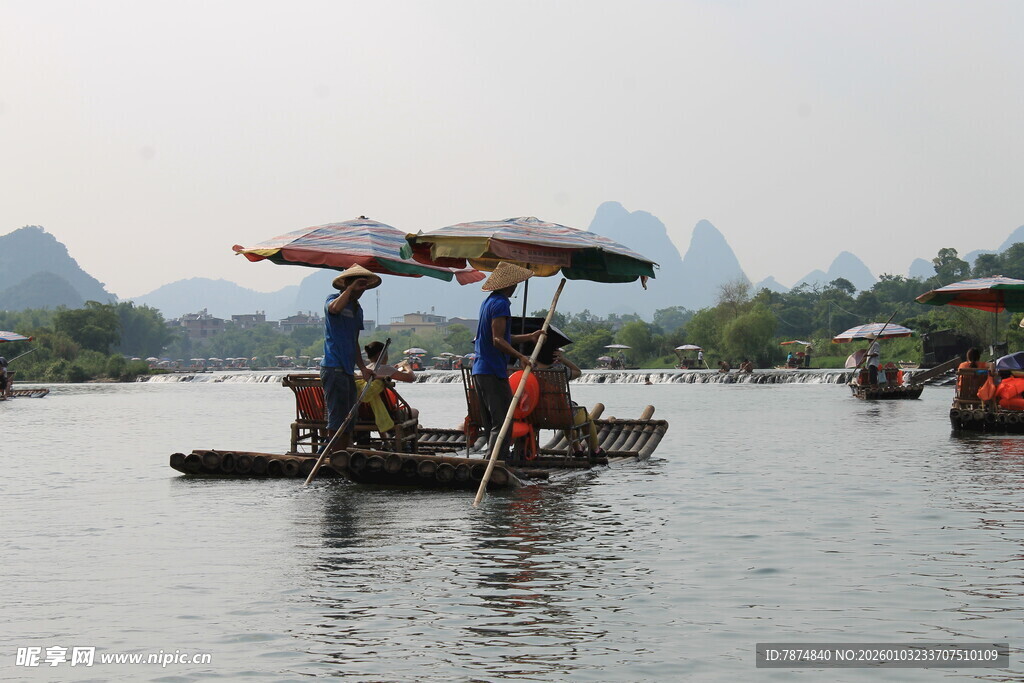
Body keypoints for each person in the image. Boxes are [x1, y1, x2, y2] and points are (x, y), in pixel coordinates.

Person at [472, 262, 543, 460]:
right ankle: (496, 463)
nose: (515, 287)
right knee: (503, 422)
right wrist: (521, 356)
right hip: (492, 370)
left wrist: (529, 337)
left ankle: (491, 460)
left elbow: (501, 336)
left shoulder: (488, 302)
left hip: (481, 370)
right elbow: (497, 340)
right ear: (508, 285)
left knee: (493, 422)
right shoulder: (501, 304)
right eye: (515, 284)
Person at [320, 264, 380, 453]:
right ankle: (335, 455)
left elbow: (354, 341)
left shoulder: (357, 309)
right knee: (337, 417)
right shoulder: (333, 299)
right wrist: (349, 289)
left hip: (347, 370)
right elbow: (335, 309)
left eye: (363, 287)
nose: (360, 291)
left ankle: (343, 453)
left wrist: (362, 368)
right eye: (357, 285)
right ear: (346, 284)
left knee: (349, 417)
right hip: (333, 367)